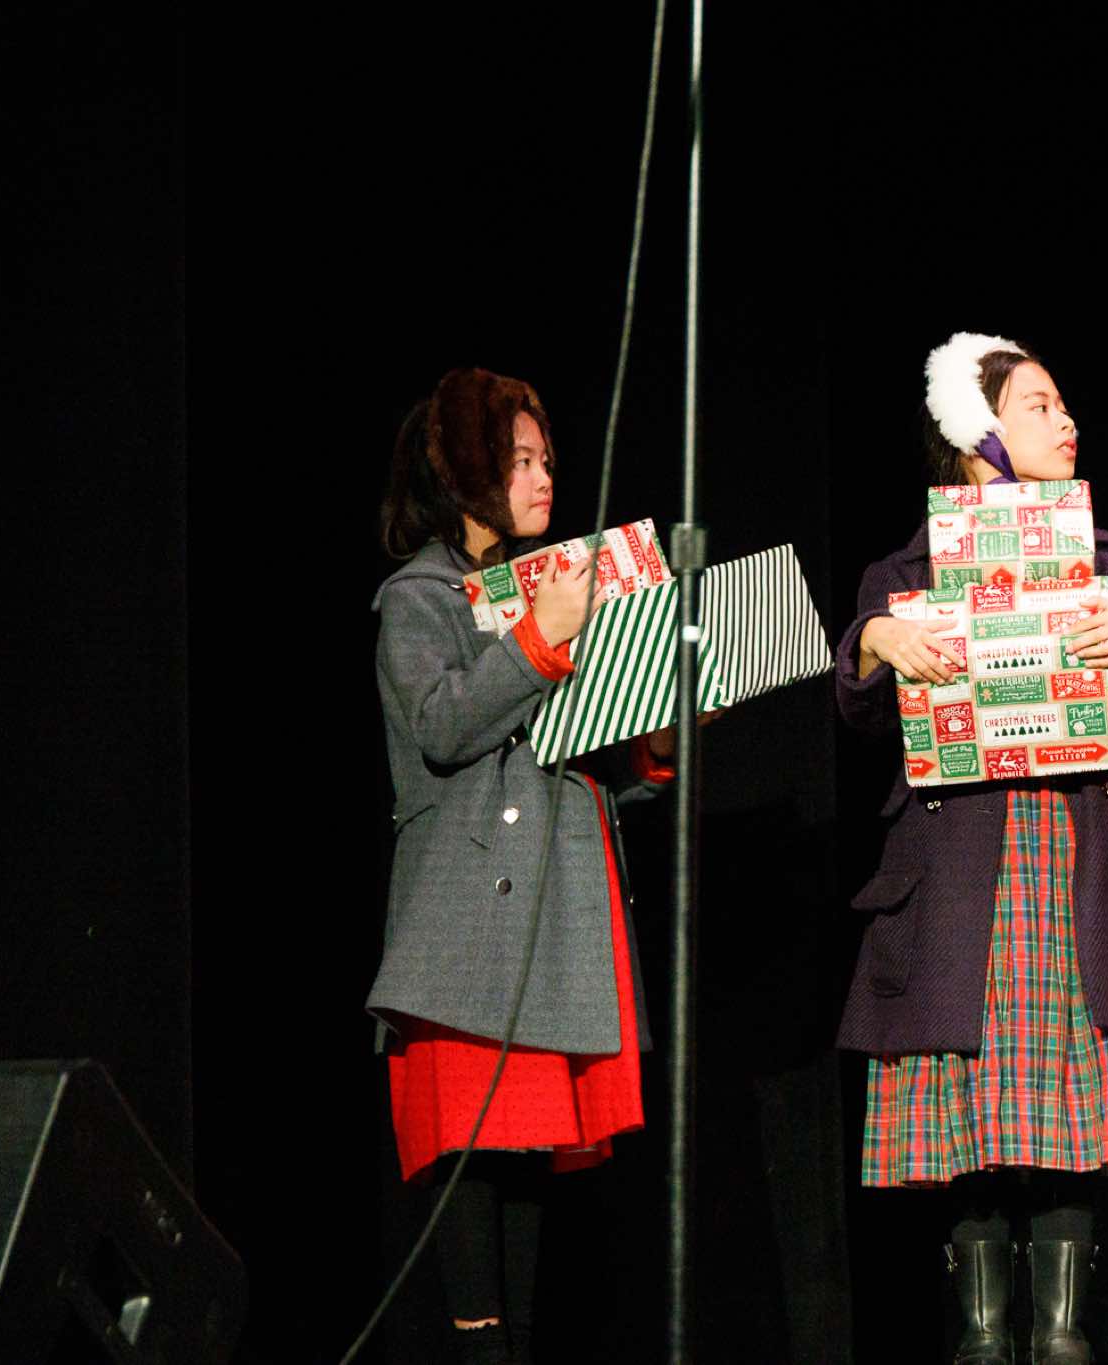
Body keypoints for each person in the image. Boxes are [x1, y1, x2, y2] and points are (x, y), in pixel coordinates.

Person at [834, 333, 1108, 1365]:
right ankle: (981, 1337)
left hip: (1074, 857)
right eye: (1039, 405)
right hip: (961, 874)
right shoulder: (903, 571)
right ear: (978, 436)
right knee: (972, 1123)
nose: (1066, 419)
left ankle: (1063, 1337)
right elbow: (857, 709)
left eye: (1061, 402)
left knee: (1065, 1125)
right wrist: (873, 642)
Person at [371, 367, 674, 1365]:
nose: (544, 479)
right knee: (474, 1155)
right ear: (465, 469)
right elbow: (444, 725)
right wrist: (543, 639)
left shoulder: (551, 587)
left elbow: (579, 756)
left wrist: (655, 735)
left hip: (553, 904)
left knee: (531, 1147)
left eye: (546, 459)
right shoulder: (419, 597)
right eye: (518, 461)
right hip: (465, 920)